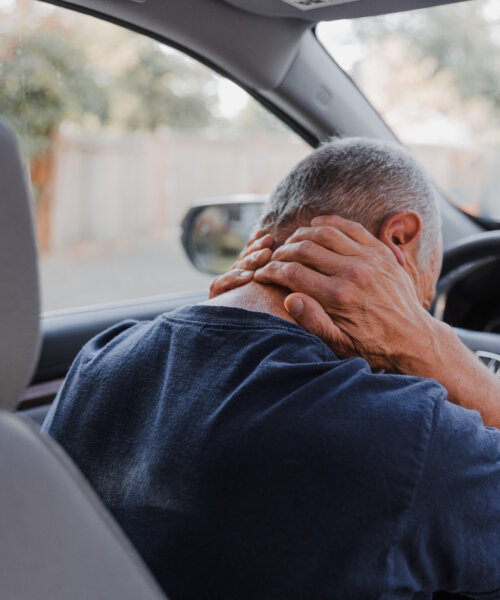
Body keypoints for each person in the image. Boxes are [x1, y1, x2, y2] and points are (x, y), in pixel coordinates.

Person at [43, 138, 500, 600]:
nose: (421, 313)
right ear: (399, 239)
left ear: (262, 235)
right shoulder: (410, 435)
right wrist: (430, 346)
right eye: (422, 302)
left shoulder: (101, 360)